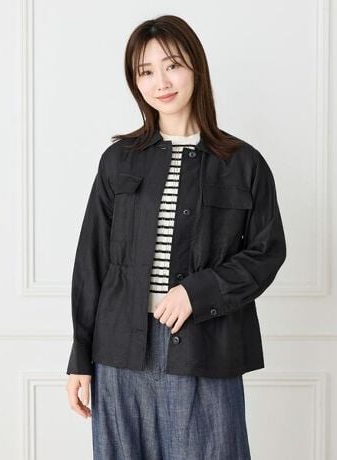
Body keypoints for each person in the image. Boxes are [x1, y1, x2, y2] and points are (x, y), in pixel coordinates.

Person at [65, 14, 286, 459]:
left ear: (195, 68)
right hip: (120, 351)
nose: (161, 82)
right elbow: (92, 260)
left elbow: (267, 252)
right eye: (145, 71)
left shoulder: (244, 163)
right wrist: (80, 356)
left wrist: (196, 292)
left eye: (172, 66)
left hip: (207, 349)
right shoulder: (118, 161)